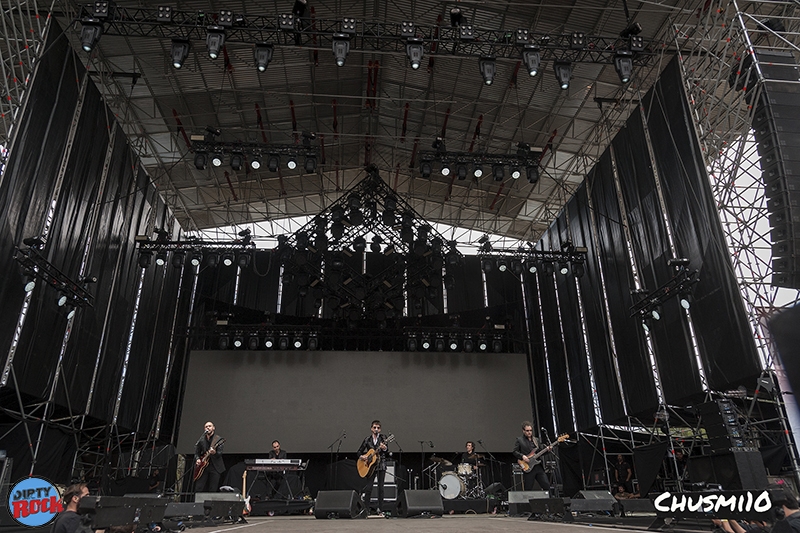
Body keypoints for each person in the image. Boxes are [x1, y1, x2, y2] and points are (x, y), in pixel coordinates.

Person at [357, 420, 388, 516]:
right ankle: (366, 509)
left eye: (378, 428)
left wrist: (384, 448)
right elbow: (359, 451)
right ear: (371, 429)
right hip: (370, 466)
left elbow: (387, 451)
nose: (376, 429)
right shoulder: (367, 440)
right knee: (369, 488)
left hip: (381, 464)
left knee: (381, 488)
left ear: (380, 429)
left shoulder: (383, 438)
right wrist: (362, 456)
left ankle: (380, 510)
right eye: (374, 427)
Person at [512, 421, 550, 492]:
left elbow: (540, 453)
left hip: (538, 466)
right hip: (528, 466)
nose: (529, 432)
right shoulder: (520, 440)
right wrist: (522, 456)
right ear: (523, 431)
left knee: (546, 485)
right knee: (528, 488)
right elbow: (515, 451)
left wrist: (548, 450)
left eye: (530, 430)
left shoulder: (536, 440)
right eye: (527, 431)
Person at [194, 421, 225, 493]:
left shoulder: (218, 439)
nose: (208, 427)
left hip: (215, 466)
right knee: (199, 487)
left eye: (209, 426)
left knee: (213, 488)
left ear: (213, 428)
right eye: (206, 426)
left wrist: (214, 453)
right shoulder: (201, 440)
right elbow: (197, 452)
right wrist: (198, 459)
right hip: (203, 467)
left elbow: (219, 453)